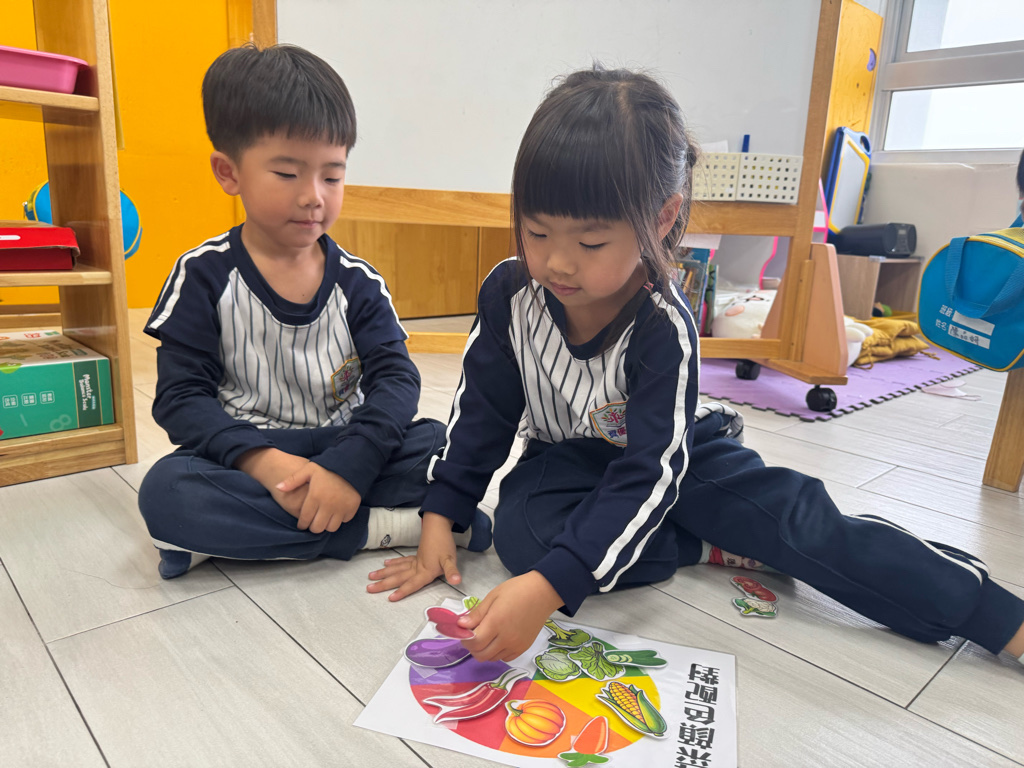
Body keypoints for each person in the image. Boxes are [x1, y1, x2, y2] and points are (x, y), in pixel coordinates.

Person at [368, 66, 1024, 669]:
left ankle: (993, 614)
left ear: (662, 219)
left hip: (678, 455)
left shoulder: (663, 324)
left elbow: (649, 469)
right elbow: (482, 414)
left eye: (590, 241)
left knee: (798, 525)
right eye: (537, 233)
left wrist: (547, 593)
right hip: (565, 456)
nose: (558, 262)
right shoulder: (509, 293)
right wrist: (442, 515)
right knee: (527, 539)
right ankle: (702, 543)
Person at [138, 44, 490, 579]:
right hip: (254, 454)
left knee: (437, 443)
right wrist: (265, 463)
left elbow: (396, 380)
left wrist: (349, 467)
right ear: (229, 172)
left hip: (346, 442)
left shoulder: (358, 282)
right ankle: (387, 528)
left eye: (332, 176)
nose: (313, 197)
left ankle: (259, 534)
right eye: (287, 173)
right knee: (168, 491)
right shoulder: (203, 276)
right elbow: (182, 399)